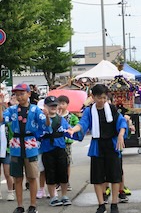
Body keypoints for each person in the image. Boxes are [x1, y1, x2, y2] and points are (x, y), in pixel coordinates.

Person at [69, 84, 128, 213]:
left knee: (115, 176)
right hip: (97, 146)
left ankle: (114, 203)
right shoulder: (89, 111)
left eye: (104, 97)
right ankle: (101, 204)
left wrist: (121, 135)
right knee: (97, 177)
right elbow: (83, 123)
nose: (102, 100)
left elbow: (122, 122)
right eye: (99, 97)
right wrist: (74, 129)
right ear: (93, 97)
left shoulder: (112, 109)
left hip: (112, 145)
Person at [0, 83, 51, 213]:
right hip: (16, 144)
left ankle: (33, 205)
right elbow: (2, 119)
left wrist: (47, 116)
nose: (19, 97)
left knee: (32, 177)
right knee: (17, 177)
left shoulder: (35, 110)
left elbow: (45, 126)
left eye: (22, 94)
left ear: (29, 94)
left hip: (30, 144)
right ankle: (20, 205)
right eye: (17, 95)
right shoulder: (12, 110)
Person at [39, 96, 73, 207]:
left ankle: (64, 195)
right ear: (45, 107)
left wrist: (71, 131)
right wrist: (47, 117)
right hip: (47, 150)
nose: (53, 107)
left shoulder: (61, 119)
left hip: (60, 149)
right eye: (50, 106)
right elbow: (42, 130)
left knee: (63, 173)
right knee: (50, 174)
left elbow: (68, 130)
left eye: (54, 105)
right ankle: (53, 196)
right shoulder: (41, 119)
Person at [57, 95, 79, 191]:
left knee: (67, 162)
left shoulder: (71, 116)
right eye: (59, 104)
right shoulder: (55, 116)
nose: (61, 106)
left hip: (66, 142)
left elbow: (77, 125)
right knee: (57, 163)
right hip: (56, 142)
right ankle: (58, 182)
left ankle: (67, 181)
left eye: (63, 104)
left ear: (67, 104)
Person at [0, 121, 15, 201]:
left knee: (7, 173)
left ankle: (10, 192)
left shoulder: (6, 123)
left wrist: (12, 140)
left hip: (6, 151)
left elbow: (12, 133)